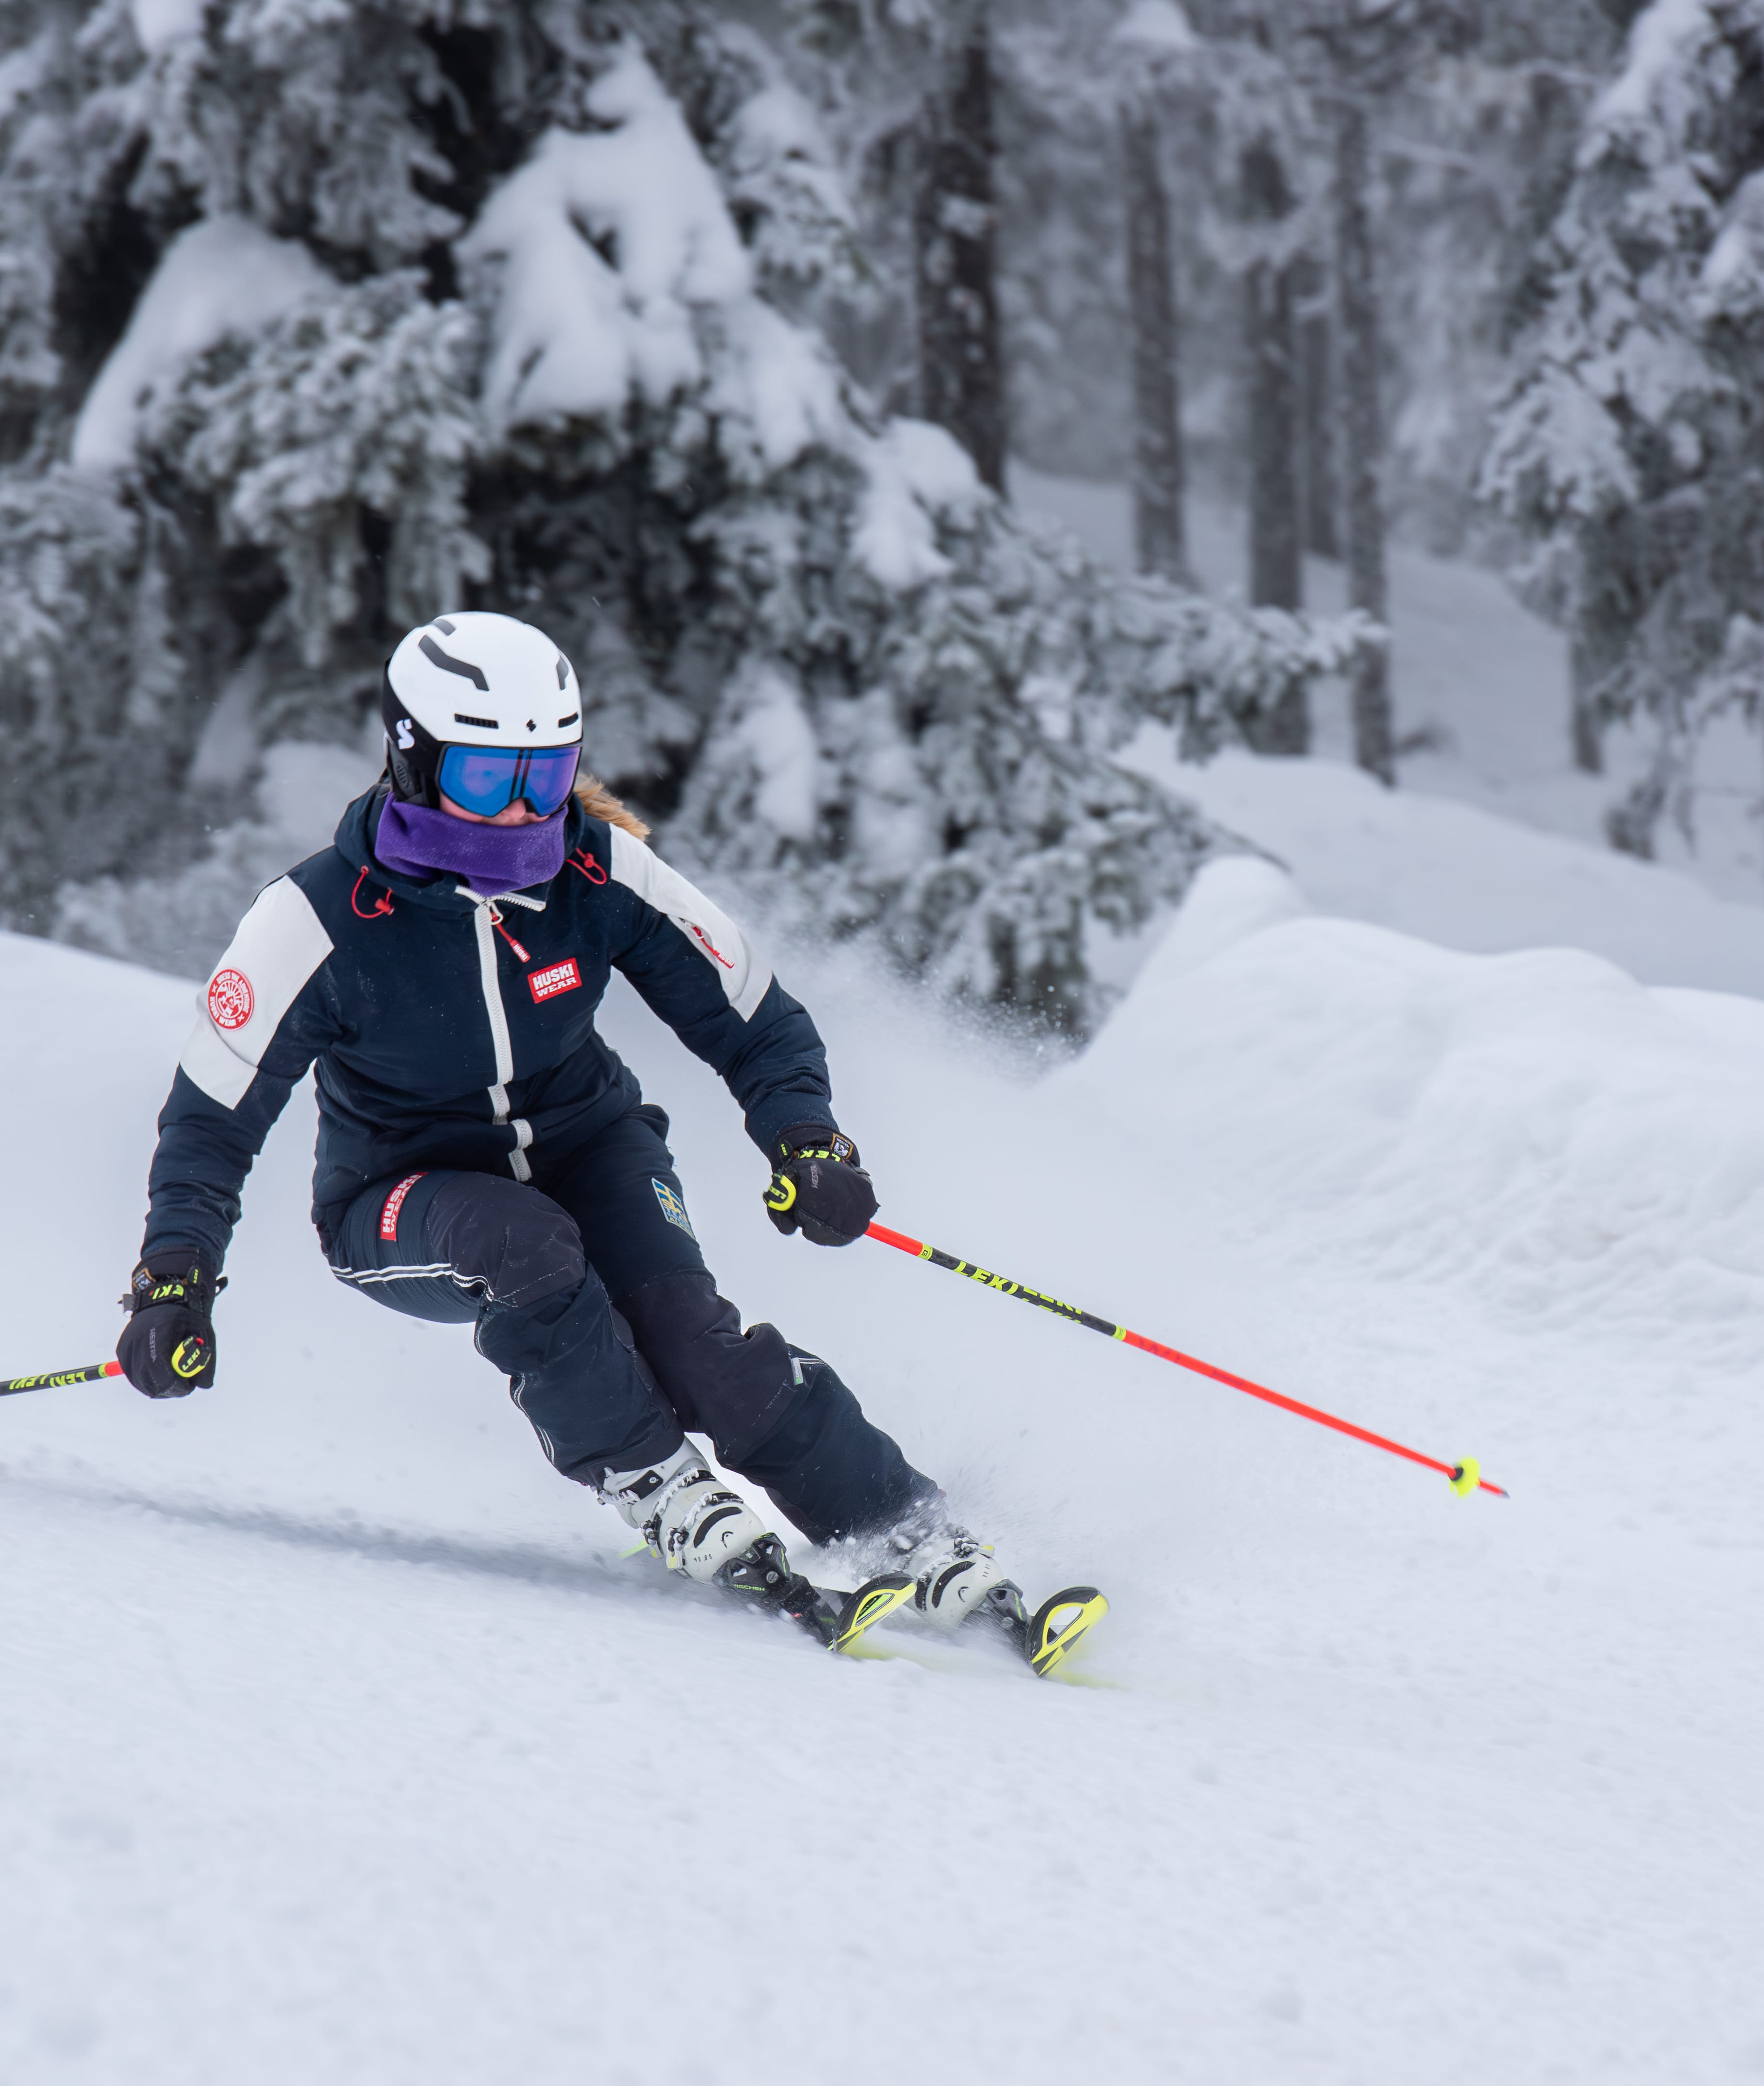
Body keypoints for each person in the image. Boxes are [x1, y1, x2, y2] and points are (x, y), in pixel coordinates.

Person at [113, 612, 1096, 1668]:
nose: (524, 810)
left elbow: (753, 1015)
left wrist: (810, 1141)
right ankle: (657, 1480)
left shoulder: (593, 870)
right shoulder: (317, 918)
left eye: (547, 775)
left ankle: (904, 1526)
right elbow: (214, 1112)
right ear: (412, 755)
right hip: (394, 1194)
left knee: (696, 1346)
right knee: (524, 1242)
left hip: (593, 1145)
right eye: (491, 779)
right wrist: (176, 1277)